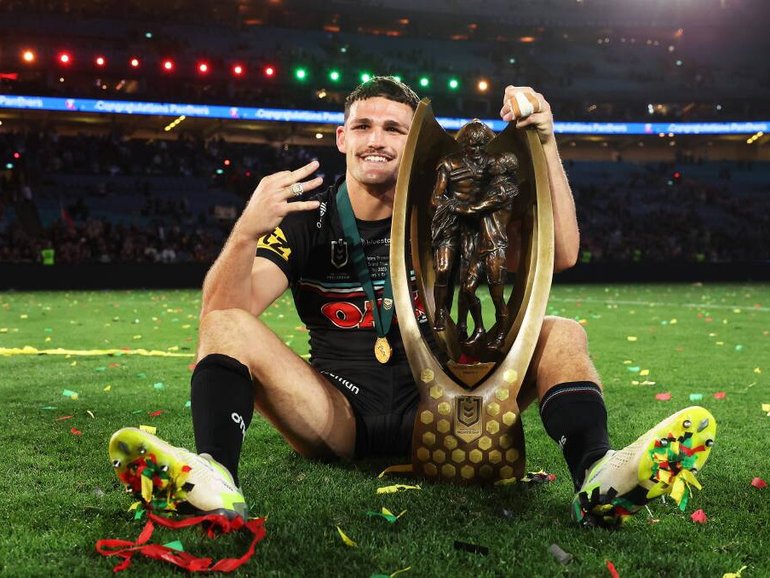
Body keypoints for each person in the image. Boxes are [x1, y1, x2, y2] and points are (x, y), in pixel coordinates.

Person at [109, 77, 716, 528]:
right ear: (342, 137)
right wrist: (244, 230)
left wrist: (546, 143)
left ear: (415, 143)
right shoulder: (305, 222)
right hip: (337, 413)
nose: (378, 139)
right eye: (365, 126)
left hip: (447, 408)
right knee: (228, 326)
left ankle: (597, 476)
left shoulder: (444, 214)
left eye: (395, 128)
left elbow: (560, 255)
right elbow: (221, 316)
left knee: (562, 332)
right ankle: (214, 474)